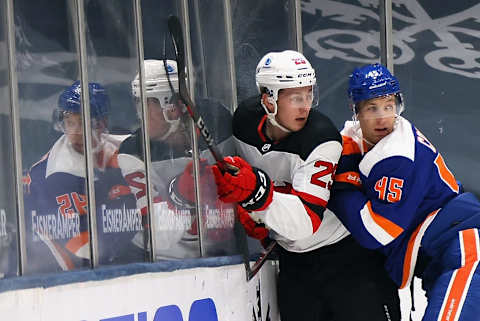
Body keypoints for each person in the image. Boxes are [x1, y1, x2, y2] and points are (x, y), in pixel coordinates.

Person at [211, 51, 401, 321]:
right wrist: (256, 213)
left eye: (309, 94)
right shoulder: (243, 123)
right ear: (268, 100)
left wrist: (257, 197)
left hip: (349, 261)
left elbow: (305, 221)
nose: (305, 106)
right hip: (295, 266)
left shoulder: (322, 138)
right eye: (295, 98)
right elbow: (243, 184)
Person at [328, 63, 480, 321]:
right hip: (442, 255)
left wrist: (342, 186)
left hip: (466, 248)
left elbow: (377, 232)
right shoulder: (356, 137)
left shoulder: (396, 155)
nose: (382, 117)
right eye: (372, 108)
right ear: (356, 111)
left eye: (389, 106)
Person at [23, 81, 145, 274]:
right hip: (68, 281)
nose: (76, 133)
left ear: (103, 123)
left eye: (85, 123)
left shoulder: (127, 148)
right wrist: (121, 200)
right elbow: (87, 249)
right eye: (70, 123)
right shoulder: (46, 178)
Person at [119, 59, 236, 259]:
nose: (140, 115)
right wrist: (180, 198)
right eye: (138, 104)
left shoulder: (218, 121)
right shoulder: (133, 152)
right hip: (161, 261)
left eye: (147, 104)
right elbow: (158, 237)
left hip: (219, 255)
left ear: (173, 108)